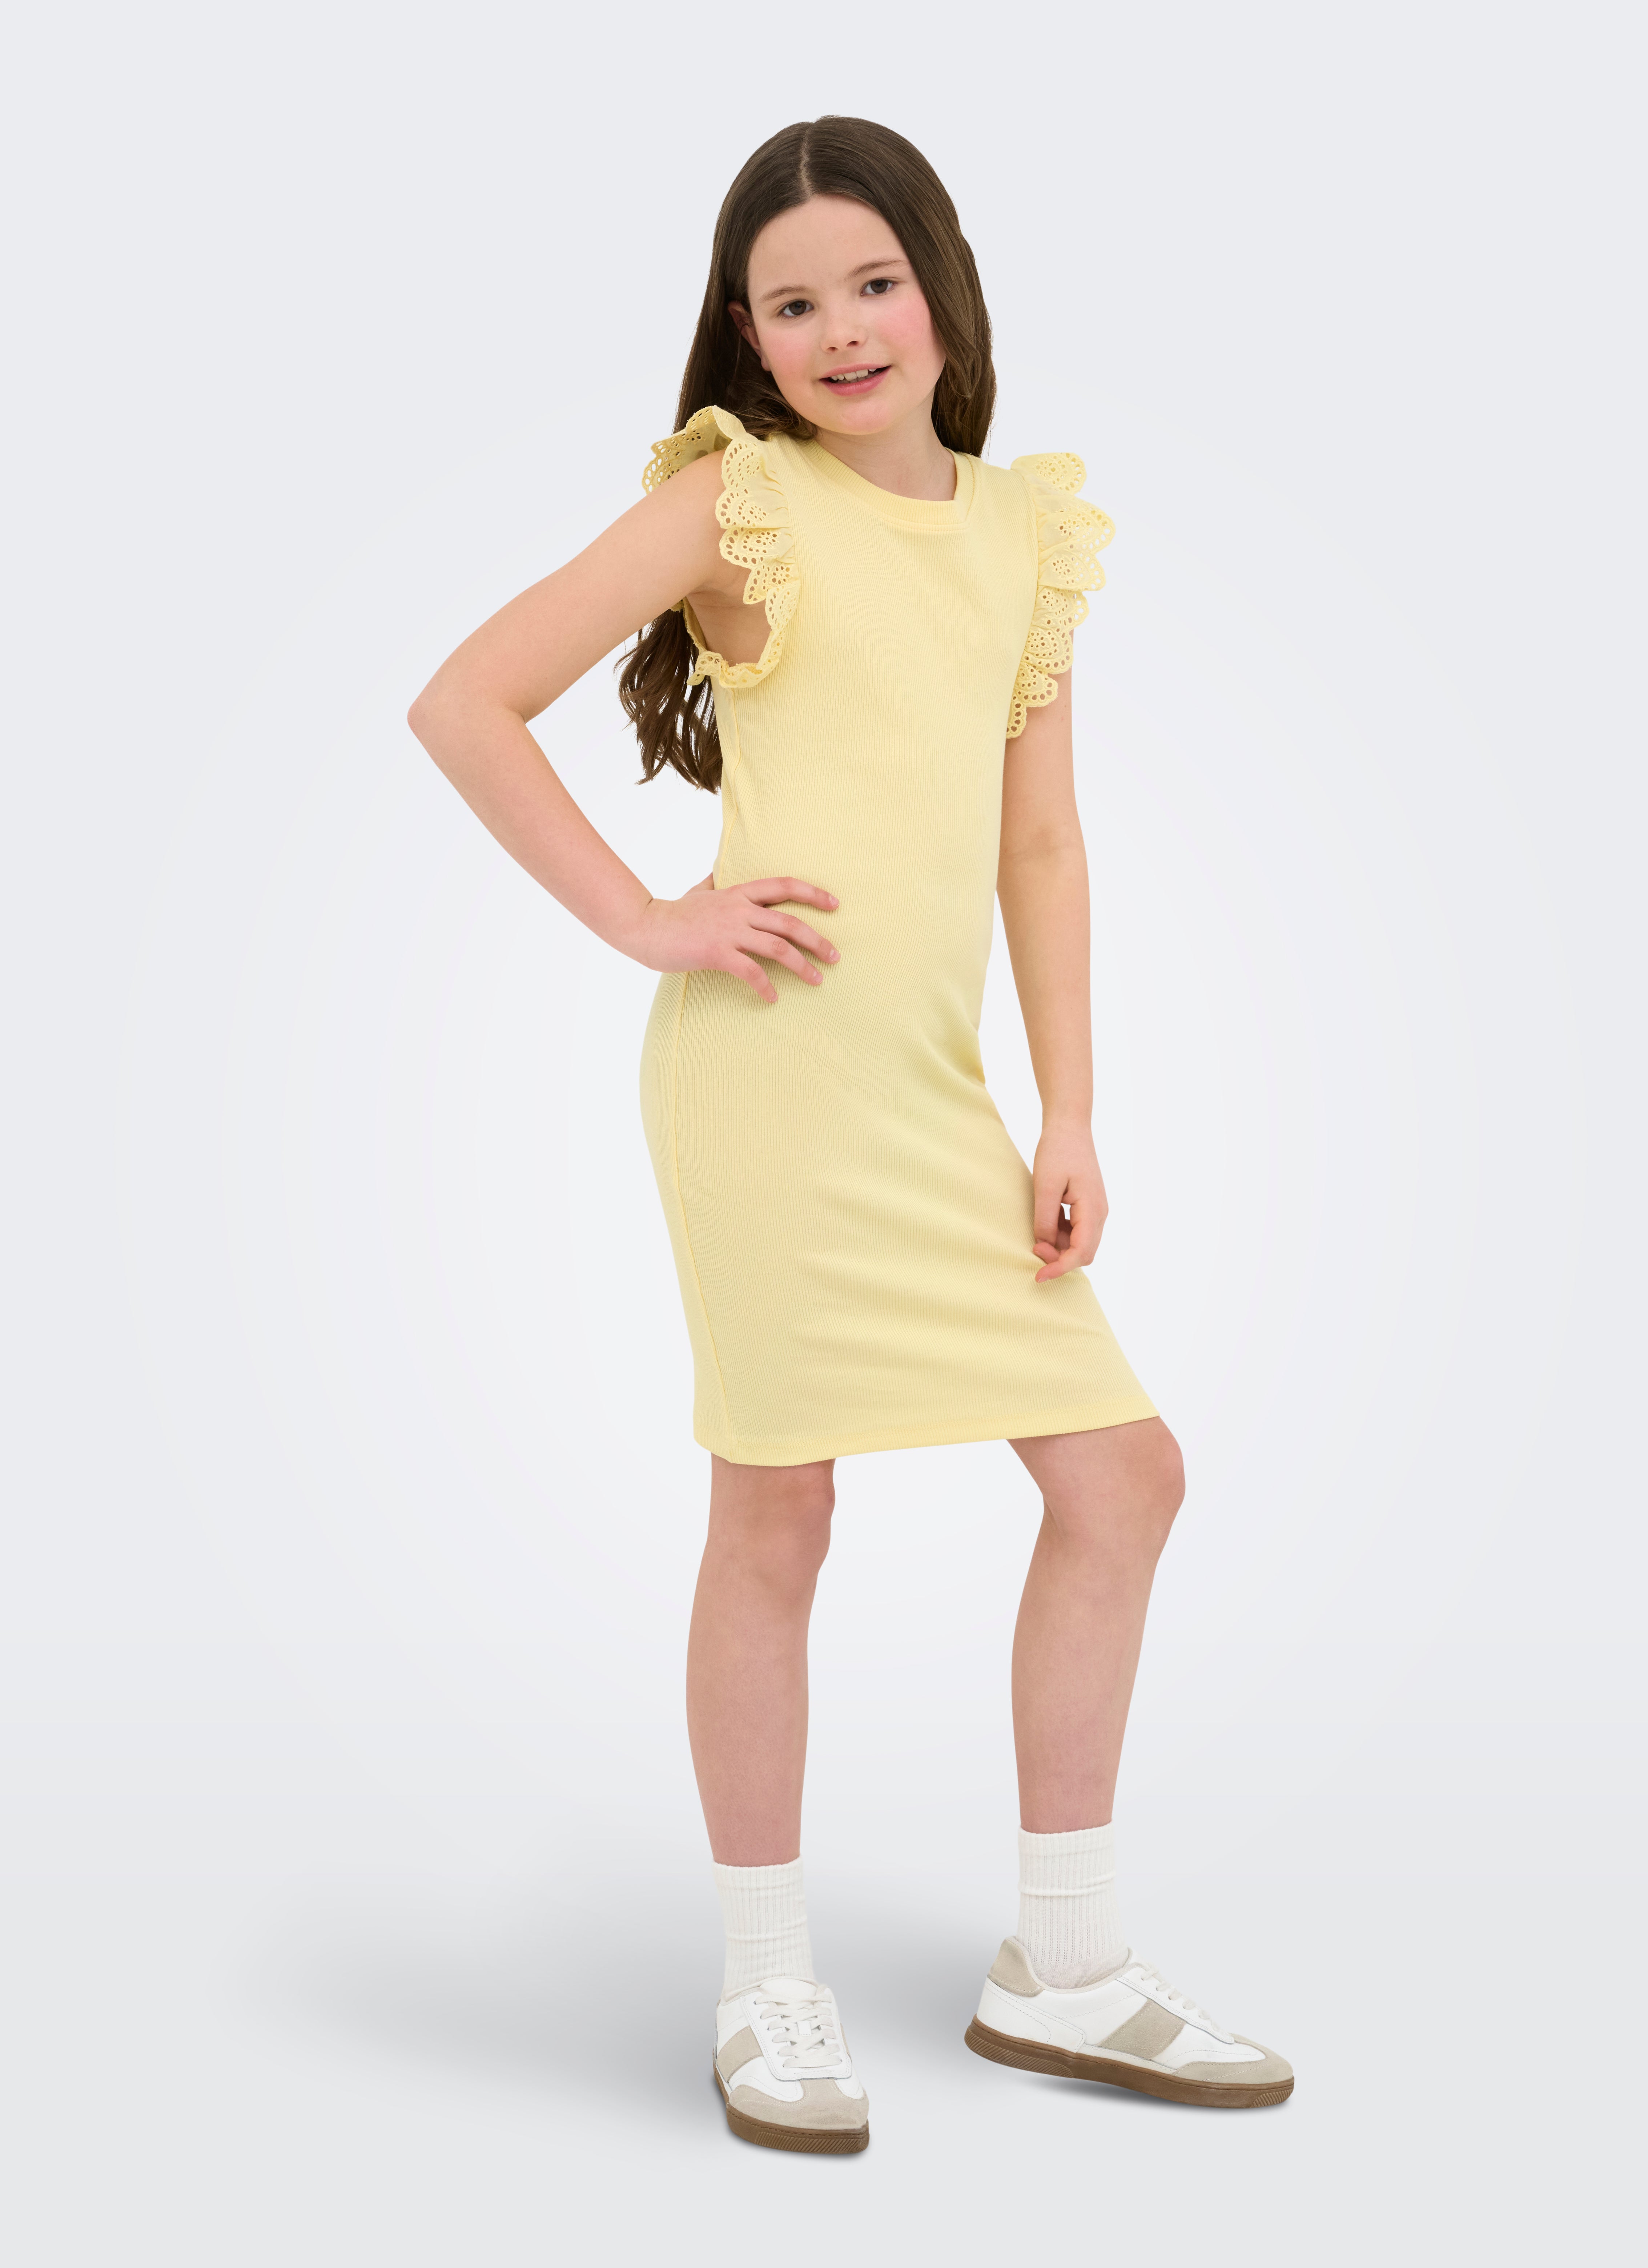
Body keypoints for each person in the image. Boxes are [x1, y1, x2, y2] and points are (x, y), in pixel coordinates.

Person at [407, 114, 1293, 2156]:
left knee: (1124, 1476)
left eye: (873, 282)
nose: (841, 328)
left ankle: (1063, 1959)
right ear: (748, 334)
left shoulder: (1023, 530)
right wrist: (646, 916)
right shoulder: (739, 503)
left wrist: (1073, 1107)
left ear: (941, 289)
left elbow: (1042, 843)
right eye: (791, 302)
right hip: (770, 1090)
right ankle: (764, 1980)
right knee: (778, 1517)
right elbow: (466, 699)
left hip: (936, 1100)